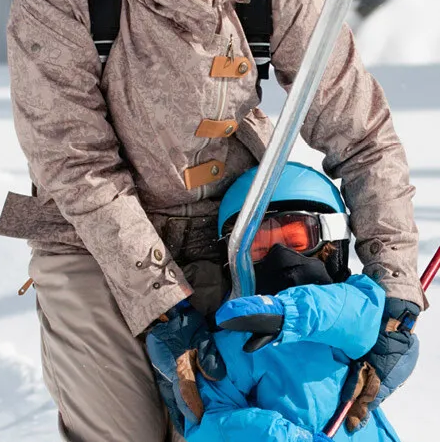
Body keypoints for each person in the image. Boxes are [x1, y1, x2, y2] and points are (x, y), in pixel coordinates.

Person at [0, 0, 423, 439]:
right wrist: (164, 310)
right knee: (128, 431)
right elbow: (78, 170)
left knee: (272, 414)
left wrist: (396, 290)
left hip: (235, 232)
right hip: (91, 240)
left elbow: (361, 134)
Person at [150, 163, 404, 442]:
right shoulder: (236, 341)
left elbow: (360, 317)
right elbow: (214, 424)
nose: (281, 256)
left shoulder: (356, 306)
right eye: (259, 247)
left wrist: (289, 313)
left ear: (331, 240)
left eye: (297, 240)